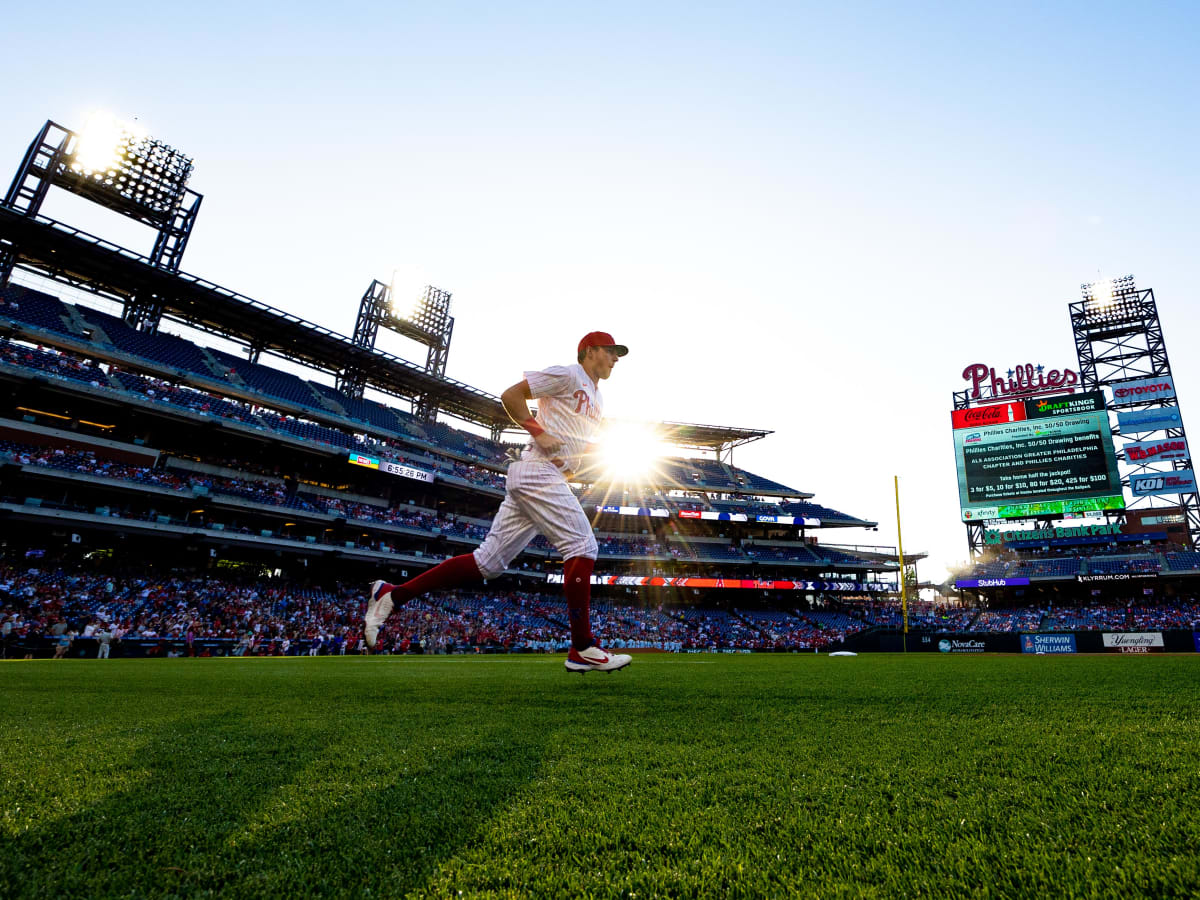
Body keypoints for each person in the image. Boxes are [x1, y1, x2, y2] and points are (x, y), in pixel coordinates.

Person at [365, 331, 633, 674]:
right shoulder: (569, 373)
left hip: (546, 475)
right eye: (611, 352)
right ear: (591, 350)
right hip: (539, 471)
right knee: (583, 545)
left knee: (487, 563)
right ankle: (582, 647)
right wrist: (538, 430)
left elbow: (572, 440)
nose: (615, 359)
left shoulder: (597, 396)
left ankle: (392, 595)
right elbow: (511, 395)